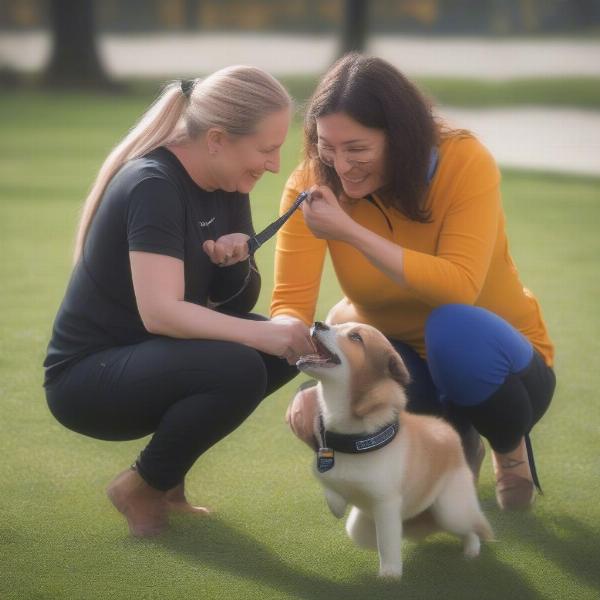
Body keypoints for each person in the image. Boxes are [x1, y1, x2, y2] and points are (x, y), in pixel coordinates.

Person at [271, 54, 556, 511]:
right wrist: (314, 382)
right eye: (328, 147)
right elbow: (290, 302)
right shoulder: (312, 184)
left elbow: (459, 286)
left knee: (453, 327)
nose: (341, 166)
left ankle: (510, 449)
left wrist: (349, 232)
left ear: (400, 138)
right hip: (407, 365)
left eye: (357, 148)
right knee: (326, 398)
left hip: (505, 366)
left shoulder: (464, 160)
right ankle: (459, 446)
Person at [43, 66, 314, 537]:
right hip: (87, 380)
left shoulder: (227, 181)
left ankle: (167, 483)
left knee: (275, 357)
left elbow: (231, 304)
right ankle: (141, 487)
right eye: (267, 149)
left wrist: (235, 261)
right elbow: (161, 312)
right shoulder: (154, 184)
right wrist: (267, 333)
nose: (274, 165)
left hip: (151, 359)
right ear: (216, 139)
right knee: (247, 361)